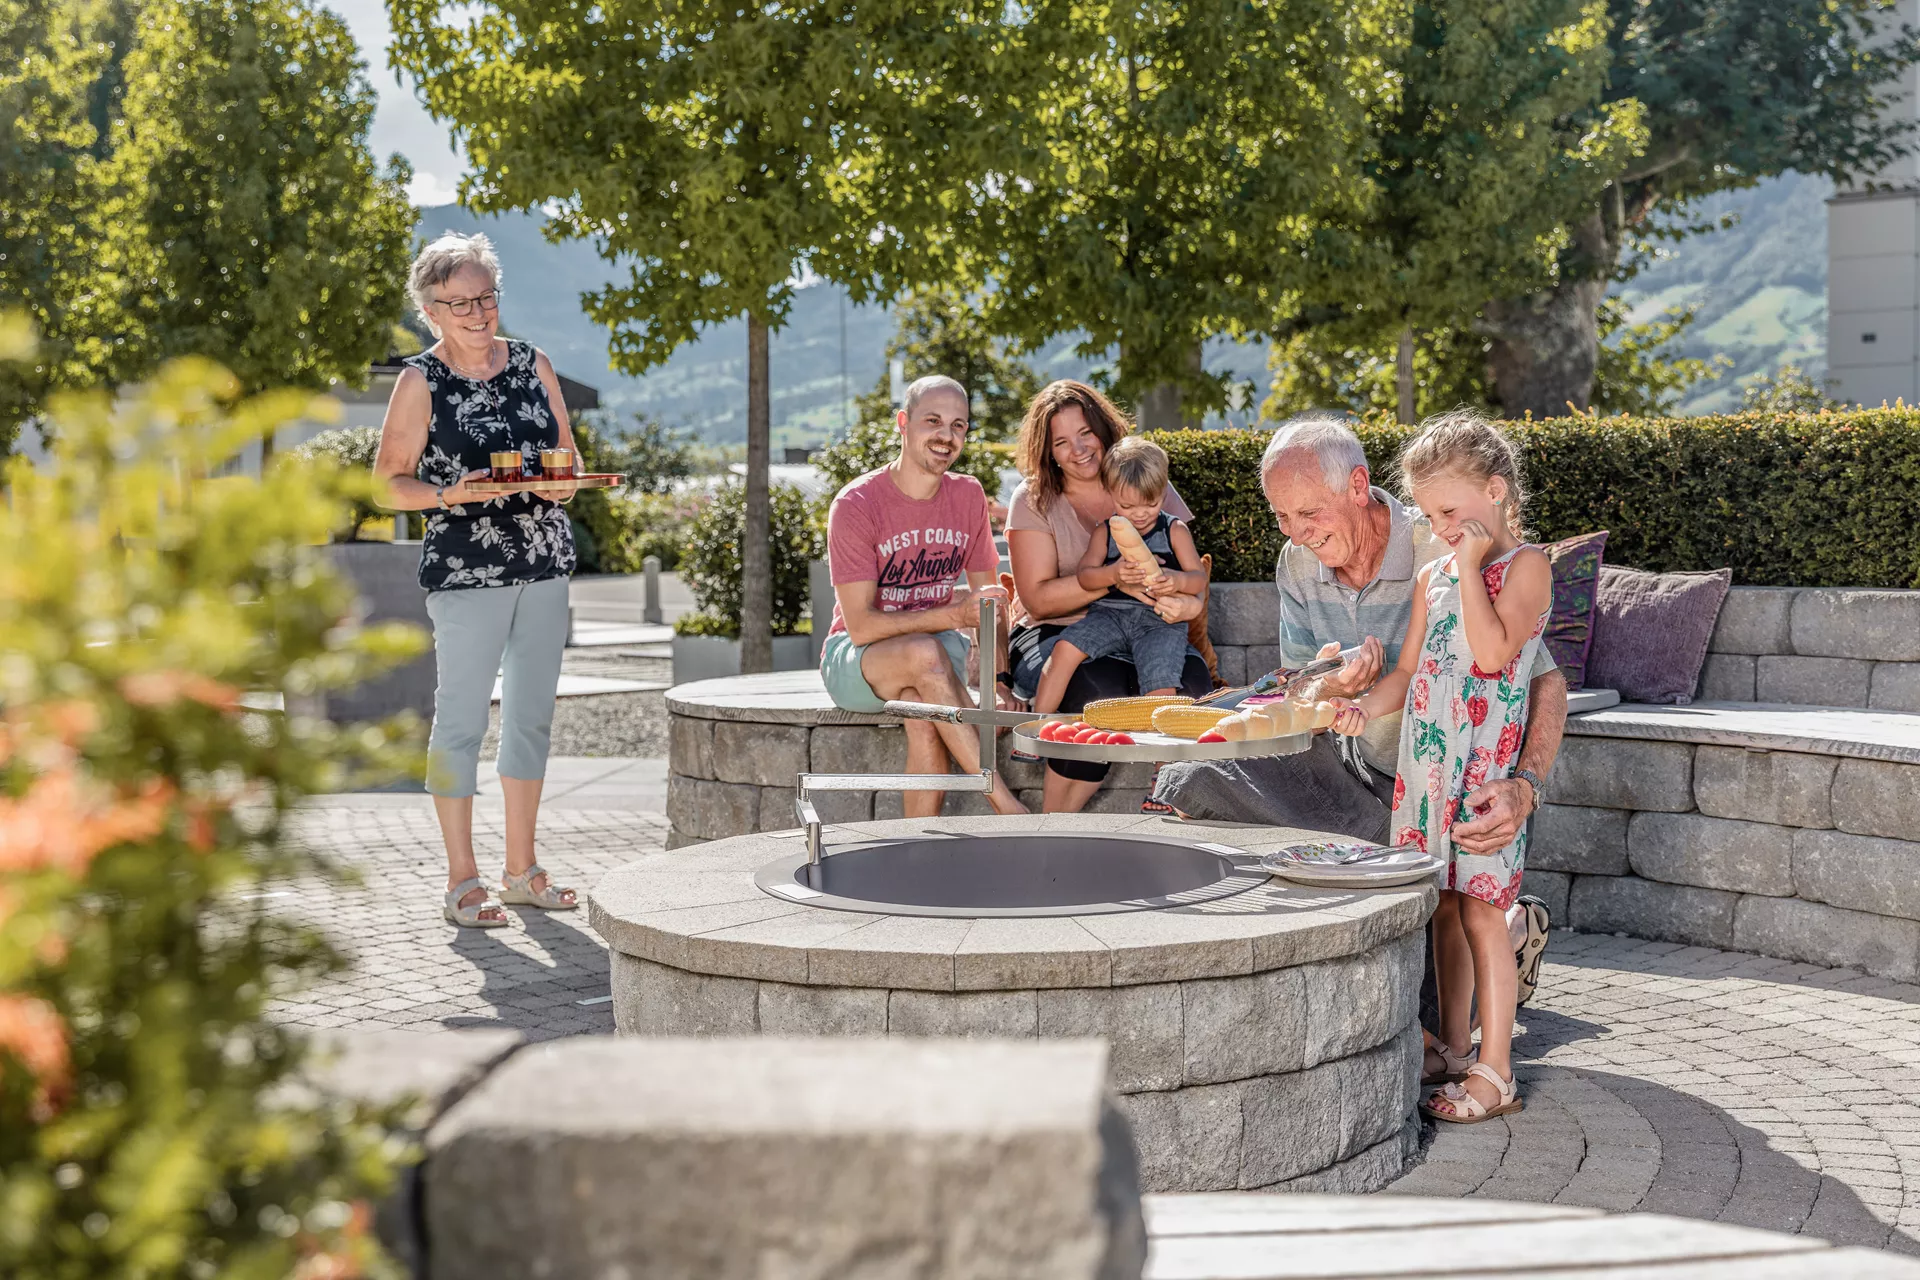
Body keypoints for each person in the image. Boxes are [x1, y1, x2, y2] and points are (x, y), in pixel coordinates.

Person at [1150, 413, 1566, 1077]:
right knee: (1194, 776)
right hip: (1349, 761)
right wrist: (1330, 686)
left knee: (1423, 932)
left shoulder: (1448, 542)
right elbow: (1299, 693)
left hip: (1436, 779)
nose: (1296, 532)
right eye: (1281, 516)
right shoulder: (1297, 562)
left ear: (1359, 486)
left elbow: (1546, 683)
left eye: (1308, 511)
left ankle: (1509, 933)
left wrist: (1525, 788)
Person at [1329, 411, 1552, 1124]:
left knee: (1486, 911)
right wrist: (1364, 704)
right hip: (1430, 772)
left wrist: (1463, 565)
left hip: (1483, 774)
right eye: (1428, 515)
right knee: (1445, 909)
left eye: (1450, 511)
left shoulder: (1526, 568)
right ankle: (1454, 1047)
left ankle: (1496, 1070)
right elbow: (1409, 669)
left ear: (1495, 491)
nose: (1441, 526)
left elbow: (1490, 655)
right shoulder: (1432, 577)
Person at [372, 231, 580, 928]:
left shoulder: (532, 363)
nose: (477, 312)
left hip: (544, 565)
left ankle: (520, 870)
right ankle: (463, 878)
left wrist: (564, 485)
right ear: (429, 309)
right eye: (459, 302)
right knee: (460, 722)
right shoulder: (419, 381)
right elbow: (387, 487)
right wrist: (448, 496)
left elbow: (566, 457)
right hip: (465, 573)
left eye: (485, 297)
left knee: (531, 721)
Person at [820, 374, 1026, 817]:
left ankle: (916, 847)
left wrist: (997, 681)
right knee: (925, 653)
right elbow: (861, 626)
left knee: (923, 713)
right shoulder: (856, 504)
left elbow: (988, 602)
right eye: (933, 421)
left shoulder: (967, 495)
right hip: (859, 660)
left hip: (935, 659)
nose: (946, 435)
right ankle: (1005, 805)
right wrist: (953, 616)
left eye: (958, 426)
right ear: (903, 423)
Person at [1005, 381, 1210, 812]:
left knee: (1191, 687)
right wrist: (1115, 580)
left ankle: (1169, 797)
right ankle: (1055, 822)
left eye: (1085, 433)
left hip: (1153, 622)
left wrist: (1185, 602)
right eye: (1061, 442)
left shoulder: (1141, 475)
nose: (1078, 449)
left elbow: (1192, 575)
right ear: (1047, 451)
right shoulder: (1034, 499)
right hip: (1059, 628)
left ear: (1103, 428)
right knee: (1097, 692)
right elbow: (1038, 601)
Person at [1032, 437, 1205, 715]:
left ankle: (1164, 754)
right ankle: (1035, 724)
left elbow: (1198, 578)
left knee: (1161, 683)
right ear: (1111, 494)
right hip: (1109, 615)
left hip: (1158, 621)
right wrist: (1113, 574)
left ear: (1163, 492)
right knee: (1064, 648)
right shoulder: (1106, 531)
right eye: (1127, 506)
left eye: (1150, 504)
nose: (1139, 514)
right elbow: (1085, 577)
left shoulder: (1174, 530)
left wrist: (1176, 580)